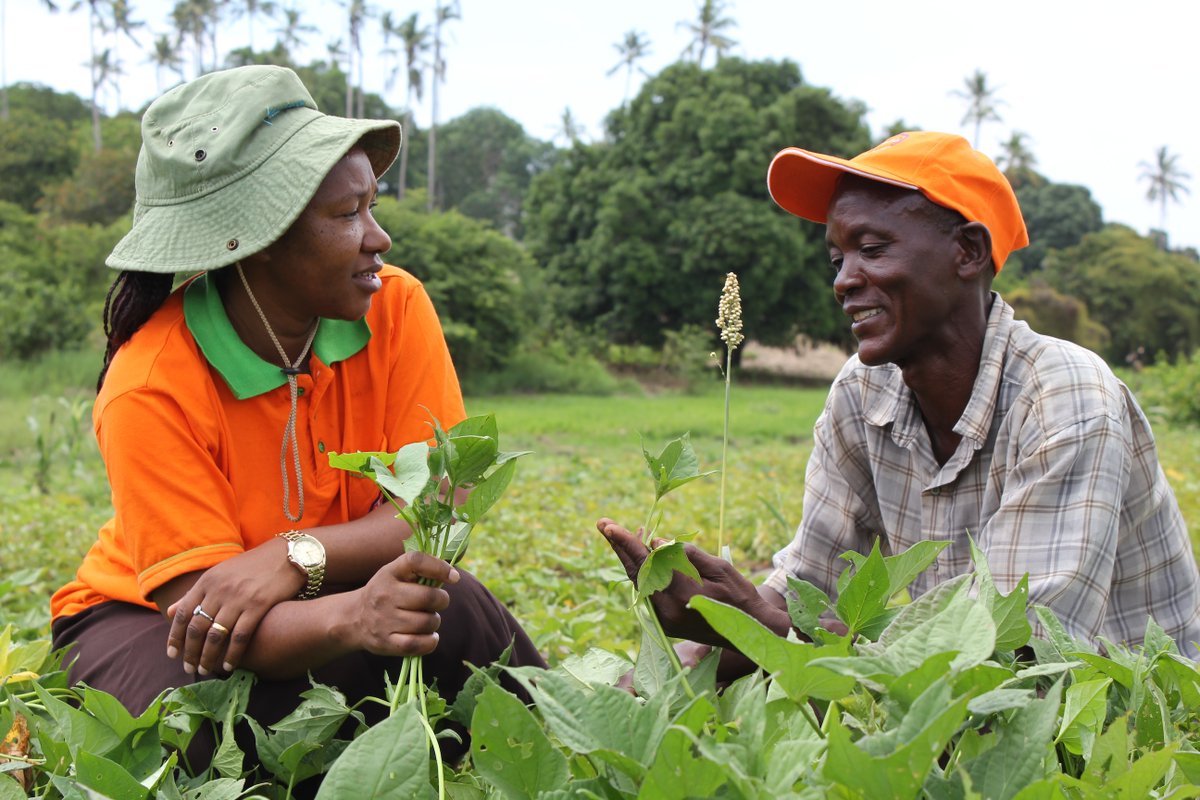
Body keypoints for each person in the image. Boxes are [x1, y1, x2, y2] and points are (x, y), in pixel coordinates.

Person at [51, 64, 544, 769]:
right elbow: (211, 621)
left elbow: (441, 501)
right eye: (348, 216)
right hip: (152, 622)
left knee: (456, 612)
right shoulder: (149, 383)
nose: (380, 239)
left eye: (372, 207)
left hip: (313, 590)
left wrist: (293, 556)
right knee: (204, 728)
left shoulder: (395, 306)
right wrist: (354, 616)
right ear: (259, 238)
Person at [599, 131, 1200, 662]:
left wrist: (760, 628)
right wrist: (699, 637)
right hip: (951, 694)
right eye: (838, 258)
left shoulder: (1065, 396)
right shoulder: (863, 393)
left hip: (1123, 725)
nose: (843, 280)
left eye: (872, 249)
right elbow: (811, 585)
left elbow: (1020, 656)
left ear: (966, 251)